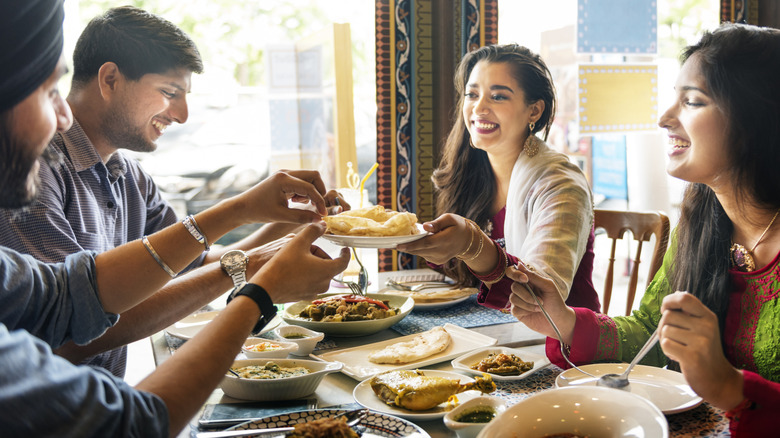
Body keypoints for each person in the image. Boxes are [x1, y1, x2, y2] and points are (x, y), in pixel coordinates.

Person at [0, 1, 349, 436]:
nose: (181, 115)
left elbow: (171, 269)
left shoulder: (126, 176)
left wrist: (287, 222)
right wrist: (254, 280)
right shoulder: (32, 175)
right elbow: (77, 333)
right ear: (110, 79)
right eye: (170, 92)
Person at [507, 23, 780, 437]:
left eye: (692, 101)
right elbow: (650, 336)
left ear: (758, 117)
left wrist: (729, 387)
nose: (664, 118)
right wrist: (563, 322)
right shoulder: (705, 224)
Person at [397, 43, 600, 317]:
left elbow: (538, 297)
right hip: (491, 329)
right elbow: (454, 269)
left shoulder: (560, 183)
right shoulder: (472, 171)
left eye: (498, 97)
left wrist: (471, 244)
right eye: (472, 94)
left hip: (560, 344)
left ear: (534, 111)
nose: (478, 108)